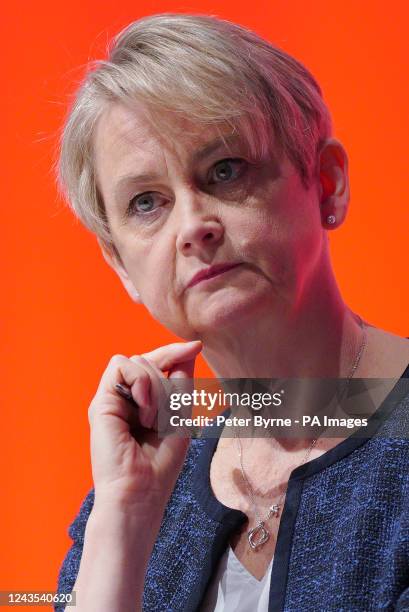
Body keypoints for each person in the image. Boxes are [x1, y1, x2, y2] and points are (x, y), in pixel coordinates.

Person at [54, 13, 409, 612]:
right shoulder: (132, 491)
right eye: (147, 202)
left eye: (224, 171)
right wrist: (125, 518)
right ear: (119, 265)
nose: (193, 227)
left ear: (327, 183)